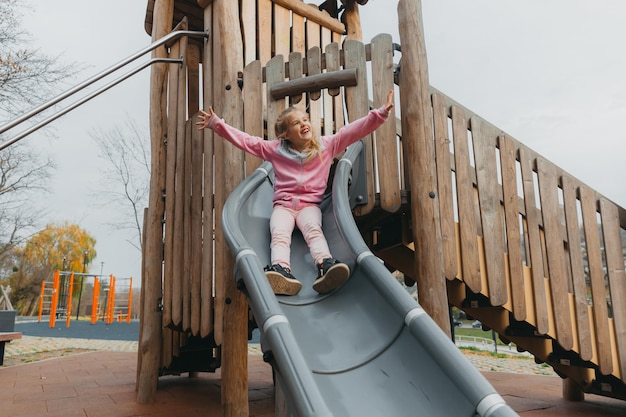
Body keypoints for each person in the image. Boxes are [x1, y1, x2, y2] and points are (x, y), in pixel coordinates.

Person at [196, 90, 394, 295]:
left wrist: (380, 114)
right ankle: (281, 270)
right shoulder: (275, 150)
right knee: (279, 234)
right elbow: (247, 141)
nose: (304, 124)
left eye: (305, 119)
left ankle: (325, 265)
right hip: (283, 206)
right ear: (285, 134)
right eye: (296, 123)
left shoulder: (326, 146)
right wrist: (218, 125)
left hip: (310, 205)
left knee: (314, 231)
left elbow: (353, 131)